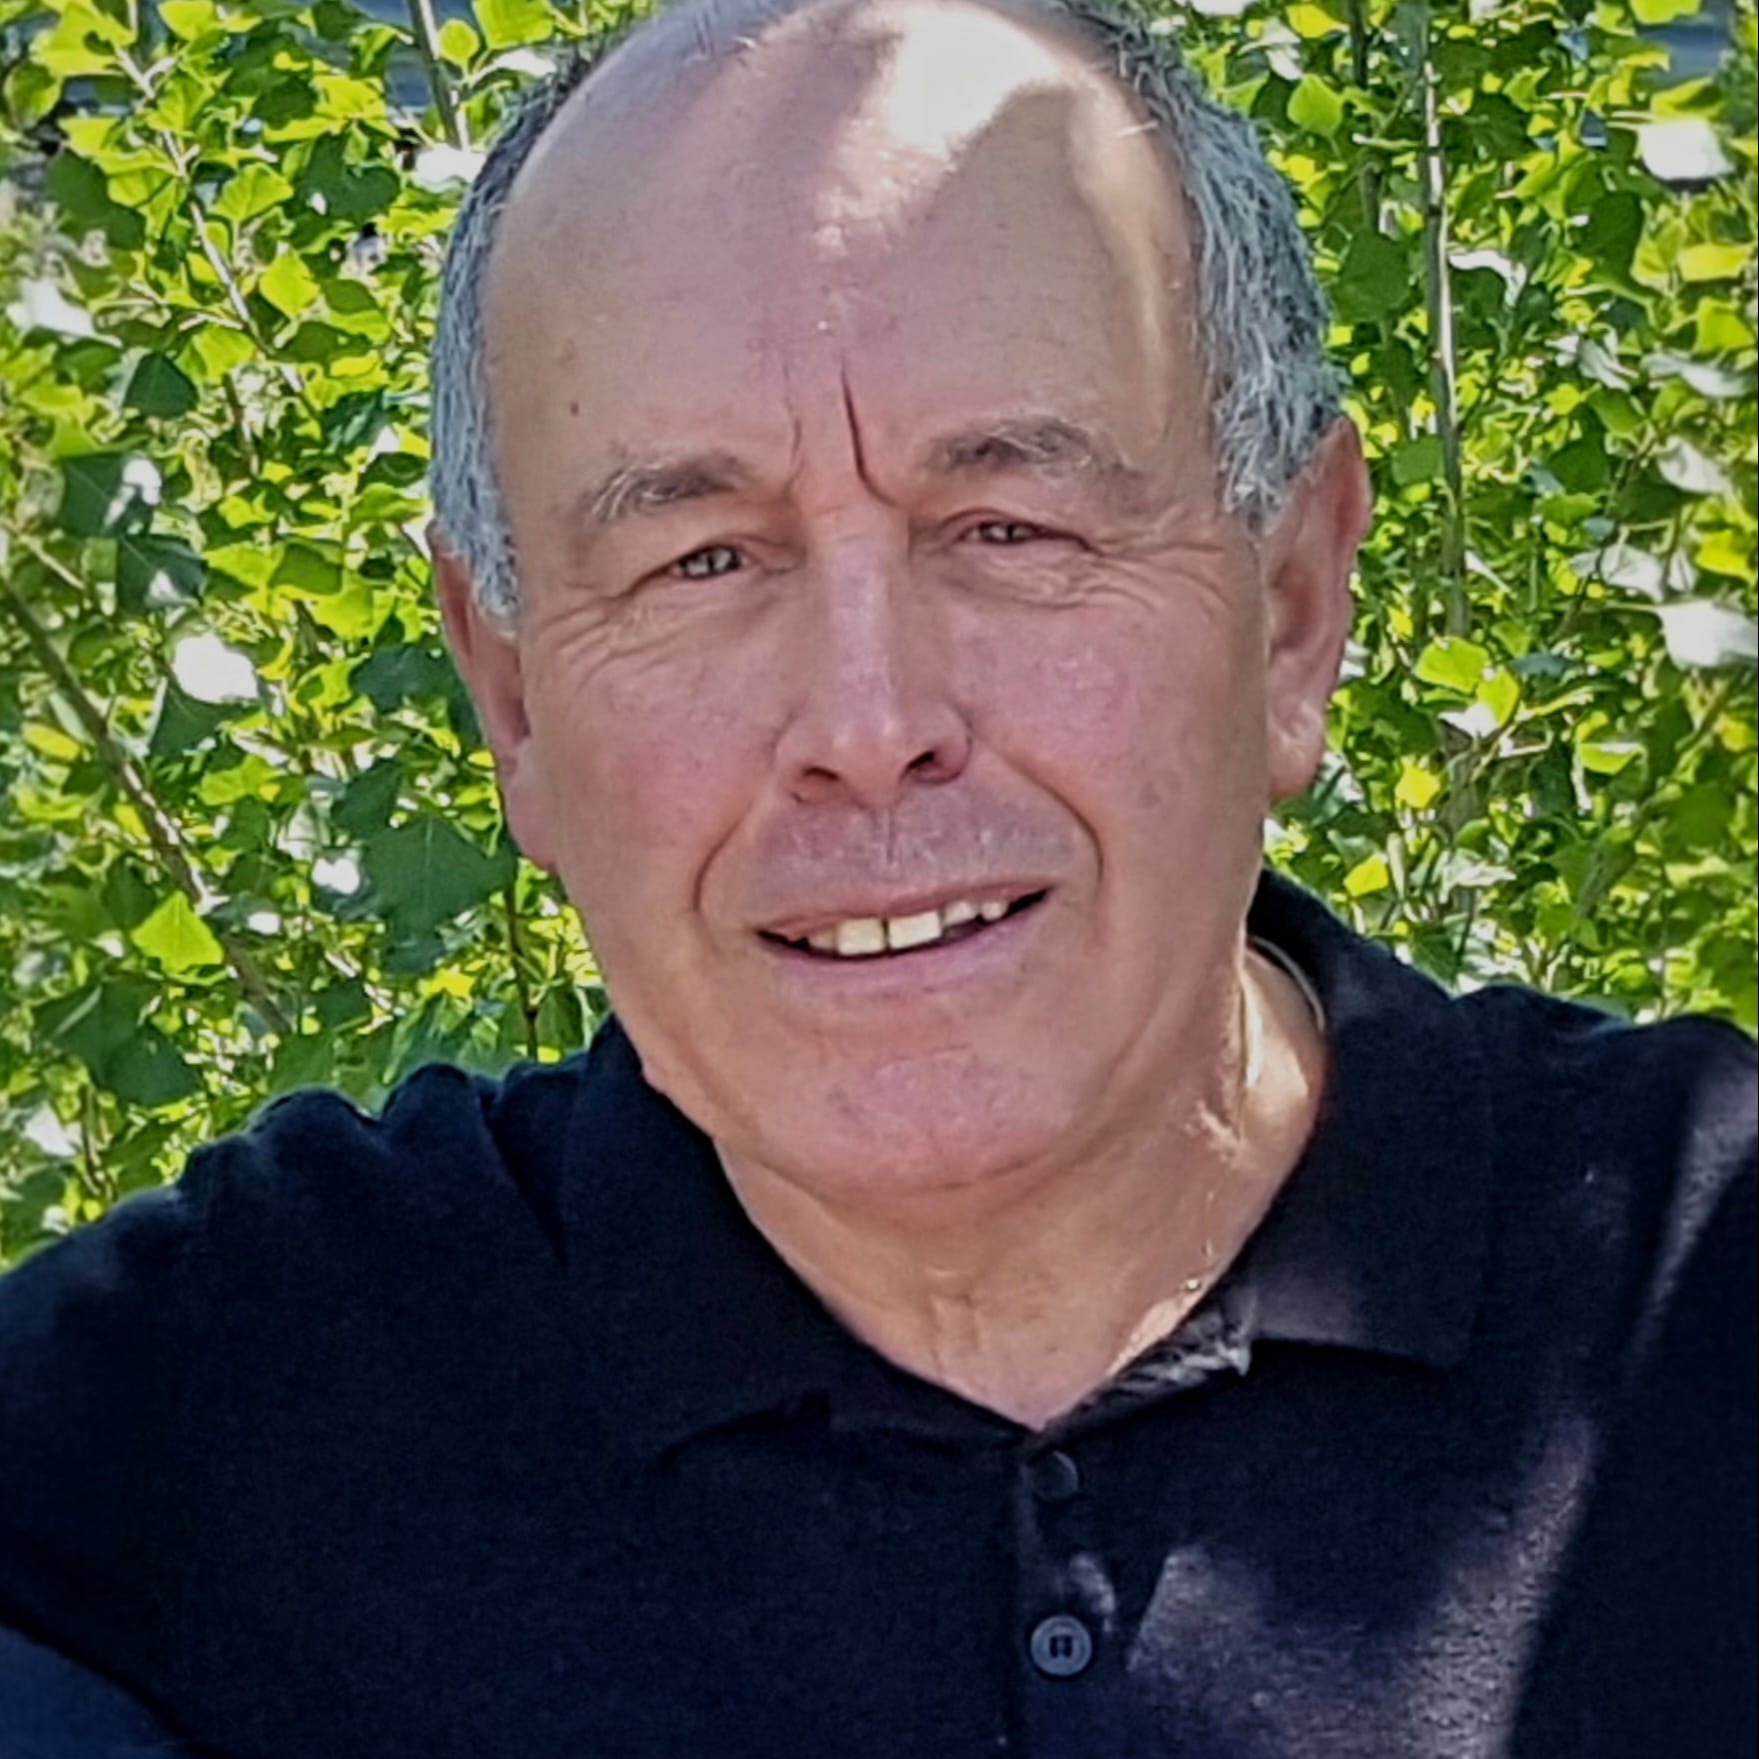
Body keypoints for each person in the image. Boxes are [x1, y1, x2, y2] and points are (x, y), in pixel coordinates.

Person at [1, 1, 1752, 1754]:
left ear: (1292, 605)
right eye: (700, 561)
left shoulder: (1701, 1306)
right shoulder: (186, 1437)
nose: (868, 722)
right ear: (512, 697)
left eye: (1009, 528)